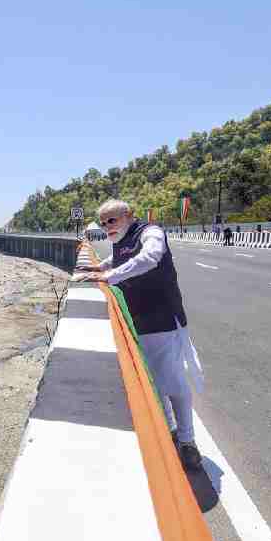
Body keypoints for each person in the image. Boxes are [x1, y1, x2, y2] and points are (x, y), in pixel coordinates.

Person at [74, 199, 204, 469]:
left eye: (112, 220)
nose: (107, 226)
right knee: (155, 381)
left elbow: (149, 257)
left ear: (129, 216)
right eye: (103, 222)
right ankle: (169, 431)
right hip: (138, 320)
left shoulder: (150, 232)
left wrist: (108, 277)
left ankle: (188, 441)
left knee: (173, 381)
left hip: (163, 317)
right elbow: (122, 257)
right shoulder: (120, 239)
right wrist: (100, 267)